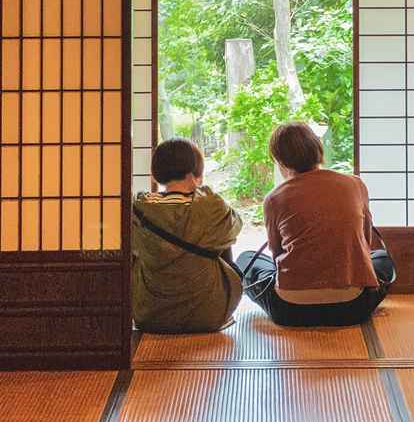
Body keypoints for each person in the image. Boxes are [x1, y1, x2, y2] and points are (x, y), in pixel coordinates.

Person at [236, 122, 395, 327]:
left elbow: (276, 255)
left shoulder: (275, 198)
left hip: (290, 310)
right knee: (382, 258)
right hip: (354, 307)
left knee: (246, 259)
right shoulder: (355, 184)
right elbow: (366, 242)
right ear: (317, 149)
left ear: (280, 160)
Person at [132, 138, 243, 333]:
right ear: (195, 170)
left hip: (150, 313)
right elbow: (235, 226)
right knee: (220, 236)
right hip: (209, 313)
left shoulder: (139, 207)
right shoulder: (210, 205)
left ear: (156, 172)